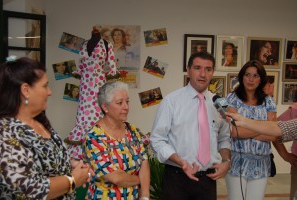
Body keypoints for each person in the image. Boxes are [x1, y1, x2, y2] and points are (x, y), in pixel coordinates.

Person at [0, 57, 91, 199]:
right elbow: (27, 189)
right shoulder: (4, 133)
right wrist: (72, 180)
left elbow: (42, 159)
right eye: (45, 86)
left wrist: (70, 164)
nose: (49, 92)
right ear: (26, 90)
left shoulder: (39, 120)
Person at [150, 52, 231, 200]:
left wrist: (226, 161)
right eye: (197, 68)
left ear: (213, 72)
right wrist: (180, 161)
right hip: (176, 177)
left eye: (208, 69)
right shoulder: (171, 101)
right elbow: (157, 139)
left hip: (208, 179)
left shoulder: (221, 103)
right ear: (188, 70)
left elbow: (225, 138)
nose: (202, 74)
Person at [83, 81, 150, 200]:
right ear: (105, 107)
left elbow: (144, 162)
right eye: (120, 103)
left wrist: (144, 196)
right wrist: (139, 180)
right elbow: (116, 177)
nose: (126, 107)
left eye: (127, 101)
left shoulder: (132, 131)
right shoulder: (94, 137)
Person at [225, 60, 280, 200]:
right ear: (241, 76)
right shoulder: (232, 99)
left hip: (260, 163)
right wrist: (263, 127)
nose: (251, 79)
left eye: (255, 76)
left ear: (261, 79)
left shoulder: (269, 101)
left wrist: (246, 129)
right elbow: (233, 131)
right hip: (236, 161)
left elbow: (273, 135)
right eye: (247, 74)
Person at [66, 27, 118, 160]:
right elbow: (80, 66)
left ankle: (100, 150)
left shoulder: (107, 45)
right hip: (84, 85)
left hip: (99, 83)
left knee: (98, 112)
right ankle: (80, 155)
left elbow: (112, 67)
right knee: (83, 114)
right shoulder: (83, 44)